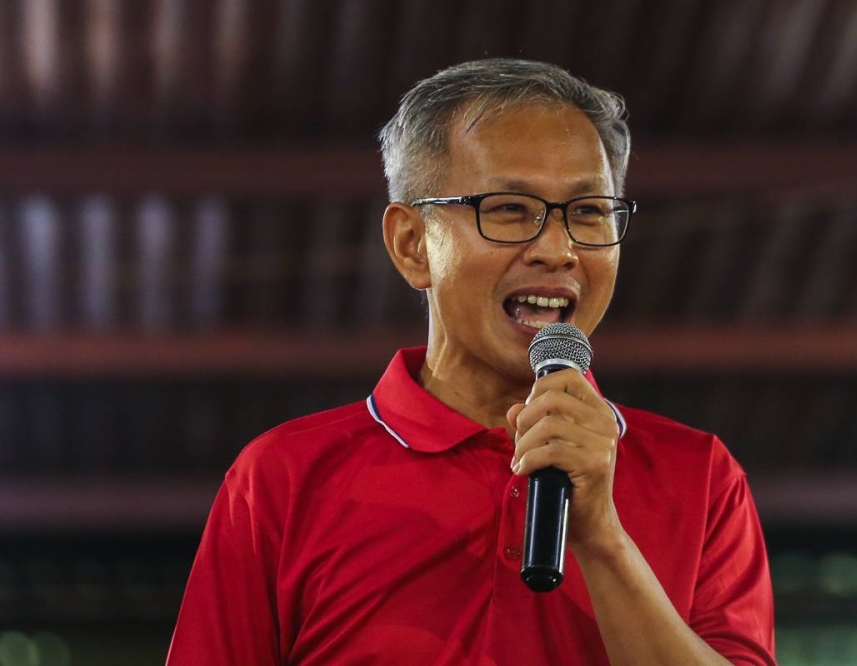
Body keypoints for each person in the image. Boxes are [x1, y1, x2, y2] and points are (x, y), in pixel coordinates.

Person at [167, 58, 775, 665]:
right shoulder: (283, 478)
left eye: (588, 212)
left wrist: (603, 538)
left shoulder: (701, 476)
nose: (558, 250)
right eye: (509, 208)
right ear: (412, 245)